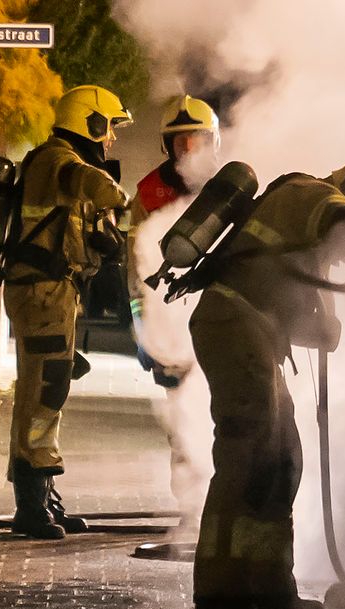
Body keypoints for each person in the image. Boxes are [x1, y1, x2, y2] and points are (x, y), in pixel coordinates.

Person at [185, 156, 345, 609]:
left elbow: (286, 305)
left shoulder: (305, 235)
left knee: (282, 460)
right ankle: (219, 595)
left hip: (250, 331)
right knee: (248, 457)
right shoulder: (311, 195)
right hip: (234, 323)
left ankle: (270, 587)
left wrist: (321, 328)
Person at [3, 85, 132, 540]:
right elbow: (87, 181)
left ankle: (40, 496)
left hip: (50, 293)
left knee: (42, 390)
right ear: (88, 121)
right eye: (109, 126)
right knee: (45, 393)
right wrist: (119, 198)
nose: (111, 137)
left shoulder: (52, 161)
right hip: (43, 293)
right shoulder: (57, 159)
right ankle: (31, 505)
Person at [127, 94, 222, 528]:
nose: (187, 149)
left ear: (212, 140)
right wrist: (143, 323)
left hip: (223, 312)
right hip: (173, 318)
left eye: (195, 139)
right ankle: (191, 503)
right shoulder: (149, 192)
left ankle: (222, 496)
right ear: (166, 145)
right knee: (183, 412)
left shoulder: (229, 185)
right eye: (178, 141)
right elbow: (134, 267)